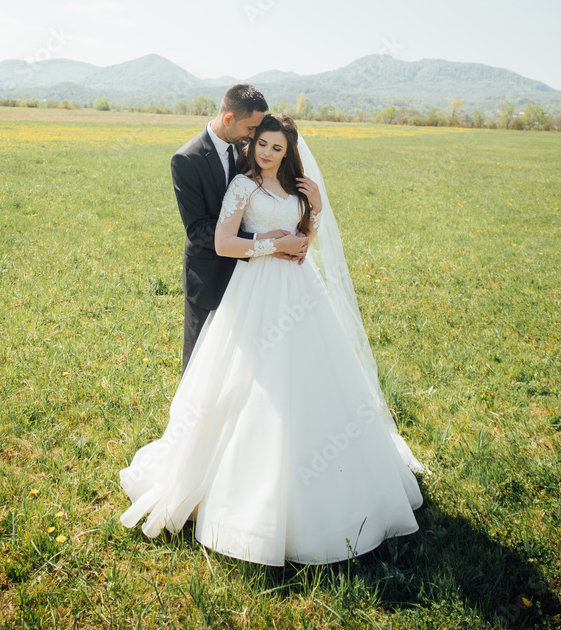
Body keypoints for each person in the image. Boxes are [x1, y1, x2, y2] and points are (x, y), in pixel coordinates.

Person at [121, 114, 429, 566]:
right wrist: (272, 244)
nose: (266, 153)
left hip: (301, 292)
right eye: (261, 144)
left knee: (316, 381)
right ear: (253, 144)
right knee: (256, 384)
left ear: (289, 152)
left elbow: (307, 239)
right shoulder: (243, 186)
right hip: (257, 290)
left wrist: (315, 211)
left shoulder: (298, 188)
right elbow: (225, 243)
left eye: (276, 148)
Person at [171, 85, 307, 373]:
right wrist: (264, 242)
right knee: (201, 362)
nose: (255, 134)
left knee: (245, 362)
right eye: (251, 127)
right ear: (229, 118)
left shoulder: (250, 149)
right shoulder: (187, 159)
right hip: (209, 273)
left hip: (254, 277)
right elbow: (198, 228)